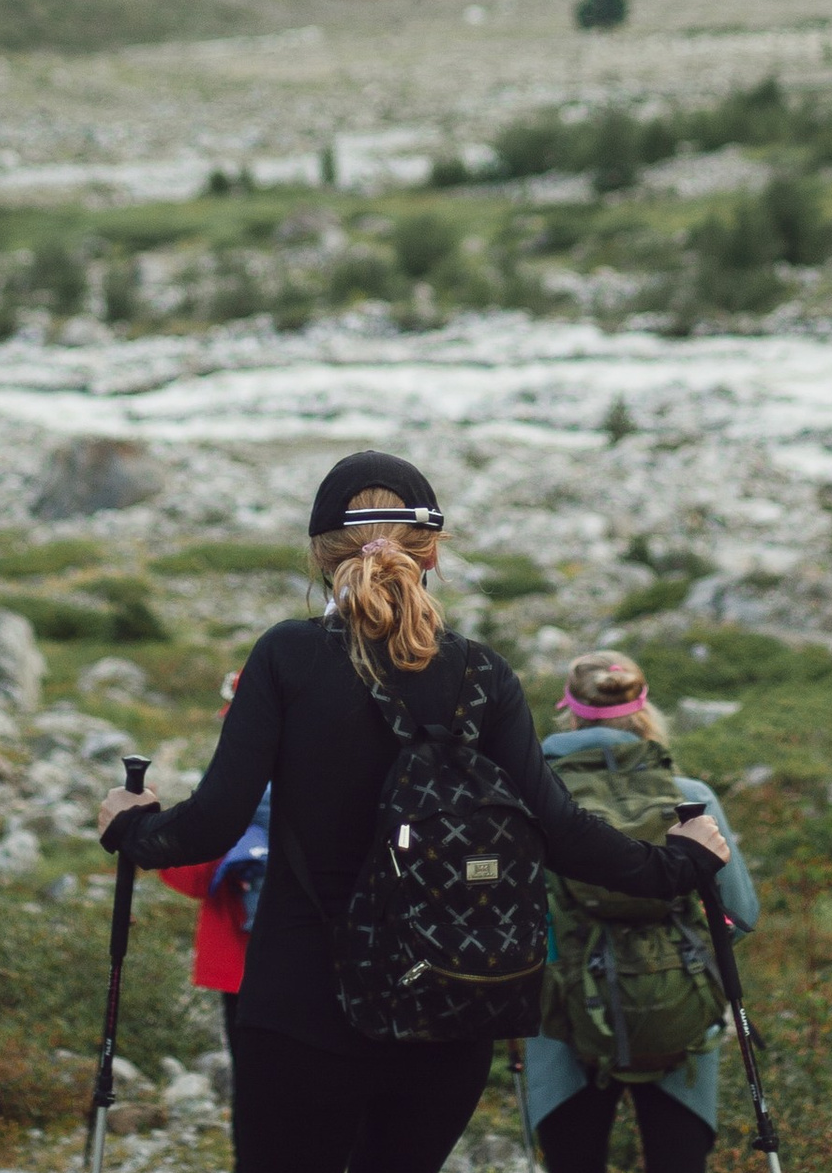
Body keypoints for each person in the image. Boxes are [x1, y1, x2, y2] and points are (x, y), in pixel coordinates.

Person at [97, 450, 728, 1173]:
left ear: (320, 554)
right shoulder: (481, 672)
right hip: (448, 1005)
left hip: (303, 1005)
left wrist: (130, 825)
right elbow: (560, 832)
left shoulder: (285, 657)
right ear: (431, 552)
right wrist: (678, 862)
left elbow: (213, 822)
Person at [521, 653, 758, 1173]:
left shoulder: (532, 798)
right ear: (643, 709)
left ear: (570, 709)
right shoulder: (690, 798)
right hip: (679, 1008)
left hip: (563, 1019)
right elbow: (741, 914)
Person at [159, 674, 268, 1160]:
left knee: (257, 1102)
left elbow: (196, 876)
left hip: (243, 968)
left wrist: (152, 836)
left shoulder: (238, 773)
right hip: (335, 962)